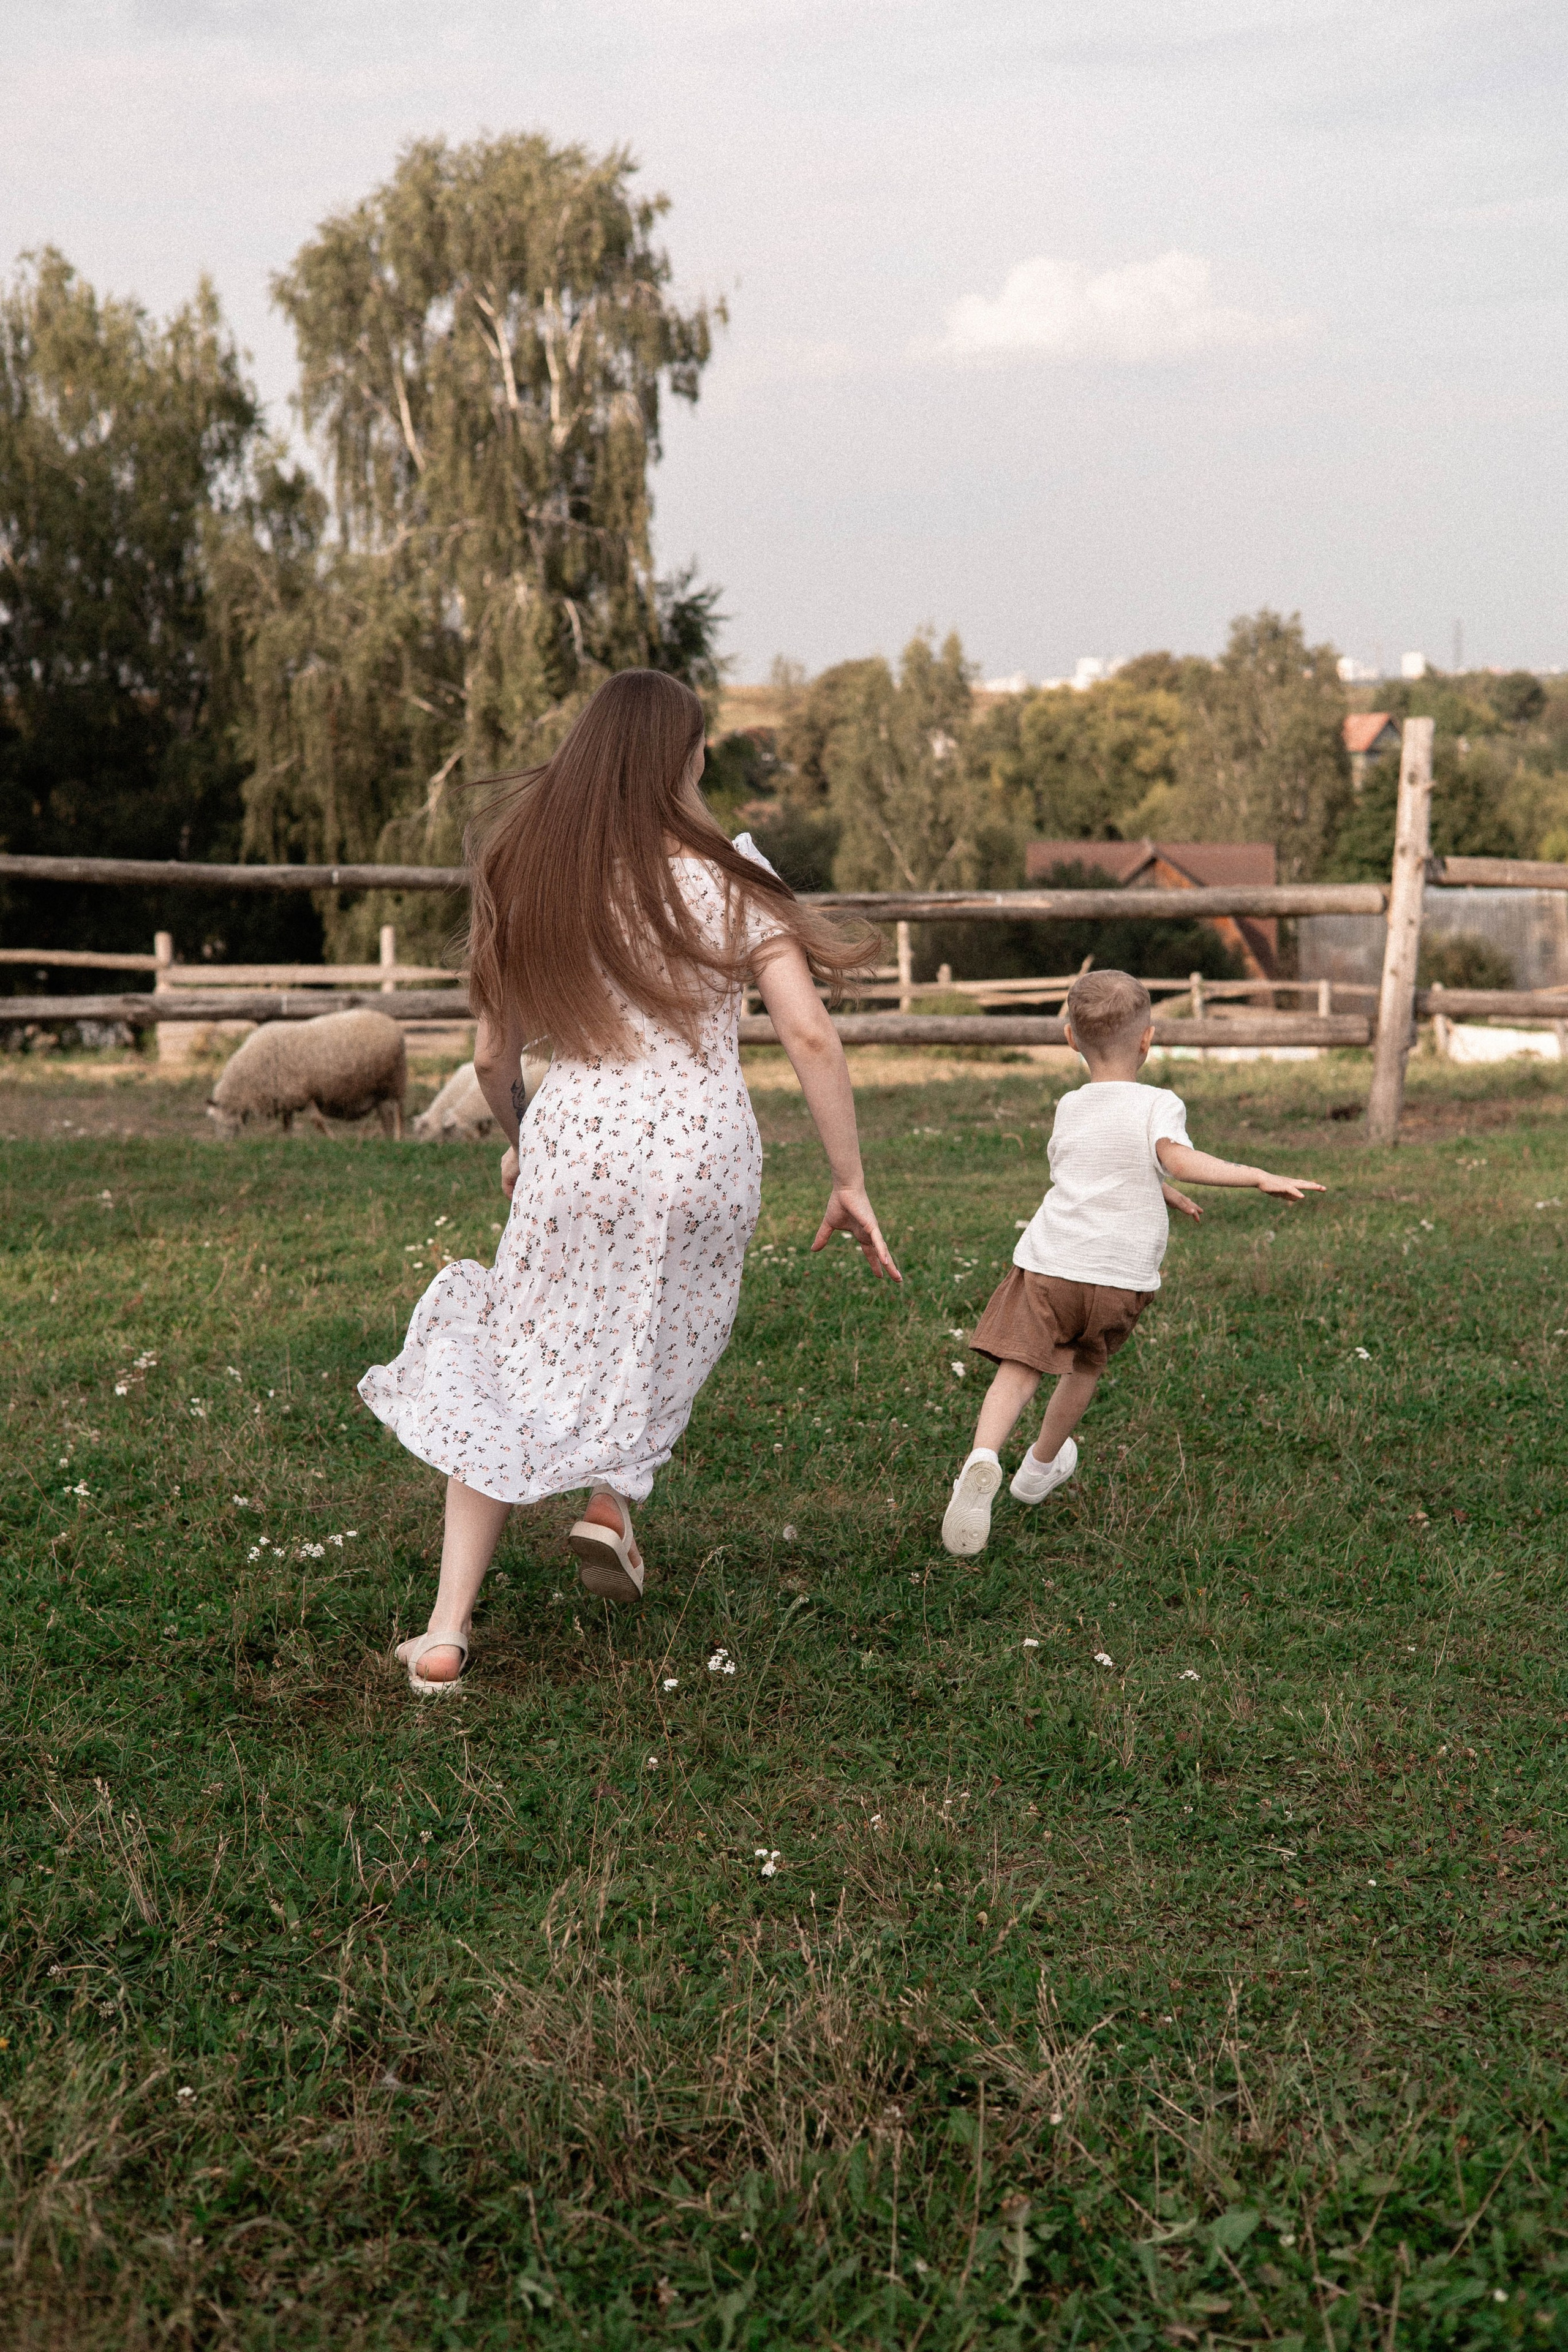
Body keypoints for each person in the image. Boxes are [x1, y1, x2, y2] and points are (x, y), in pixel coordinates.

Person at [360, 669, 900, 1692]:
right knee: (657, 1321)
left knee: (512, 1350)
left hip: (583, 1135)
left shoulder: (538, 870)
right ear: (682, 758)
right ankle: (611, 1502)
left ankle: (444, 1629)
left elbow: (489, 1056)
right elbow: (810, 1033)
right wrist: (850, 1178)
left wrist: (524, 1136)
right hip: (704, 1145)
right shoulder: (736, 873)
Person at [941, 968, 1323, 1557]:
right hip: (1119, 1277)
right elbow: (1175, 1158)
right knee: (1083, 1368)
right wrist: (1255, 1175)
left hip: (1052, 1265)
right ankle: (1040, 1467)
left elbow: (1089, 1169)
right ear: (1149, 1039)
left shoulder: (1070, 1106)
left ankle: (984, 1457)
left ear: (1071, 1038)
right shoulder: (1158, 1103)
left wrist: (1155, 1185)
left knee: (1019, 1369)